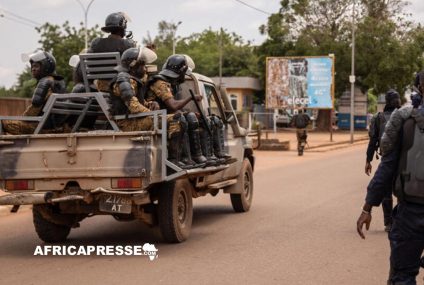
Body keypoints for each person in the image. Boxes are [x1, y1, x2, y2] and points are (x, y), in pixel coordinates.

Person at [357, 71, 424, 284]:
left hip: (410, 215)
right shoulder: (402, 119)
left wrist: (367, 208)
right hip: (409, 214)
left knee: (402, 276)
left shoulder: (403, 120)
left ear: (418, 88)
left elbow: (386, 169)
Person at [110, 47, 189, 168]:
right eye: (143, 66)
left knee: (178, 117)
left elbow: (138, 102)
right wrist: (154, 114)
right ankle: (174, 161)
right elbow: (134, 107)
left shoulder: (131, 80)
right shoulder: (124, 81)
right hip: (127, 124)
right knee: (176, 119)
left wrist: (150, 104)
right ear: (133, 65)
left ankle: (176, 159)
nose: (145, 68)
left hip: (134, 119)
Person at [146, 54, 230, 167]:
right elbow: (173, 105)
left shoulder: (171, 83)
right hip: (155, 119)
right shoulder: (160, 83)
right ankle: (184, 158)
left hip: (165, 116)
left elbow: (171, 107)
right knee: (185, 119)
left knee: (202, 118)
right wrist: (191, 98)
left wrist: (187, 112)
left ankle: (204, 155)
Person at [2, 51, 66, 135]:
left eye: (36, 66)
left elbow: (33, 111)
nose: (33, 69)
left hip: (42, 127)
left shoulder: (45, 82)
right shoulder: (59, 82)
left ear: (46, 66)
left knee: (3, 123)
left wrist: (20, 120)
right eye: (32, 66)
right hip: (56, 126)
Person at [365, 89, 401, 232]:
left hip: (386, 159)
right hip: (402, 160)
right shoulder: (404, 116)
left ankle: (388, 222)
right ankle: (398, 221)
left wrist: (368, 161)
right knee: (401, 192)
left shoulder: (378, 117)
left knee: (386, 193)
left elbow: (373, 141)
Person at [88, 12, 136, 92]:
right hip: (119, 86)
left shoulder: (96, 43)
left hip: (101, 86)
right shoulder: (127, 44)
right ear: (123, 27)